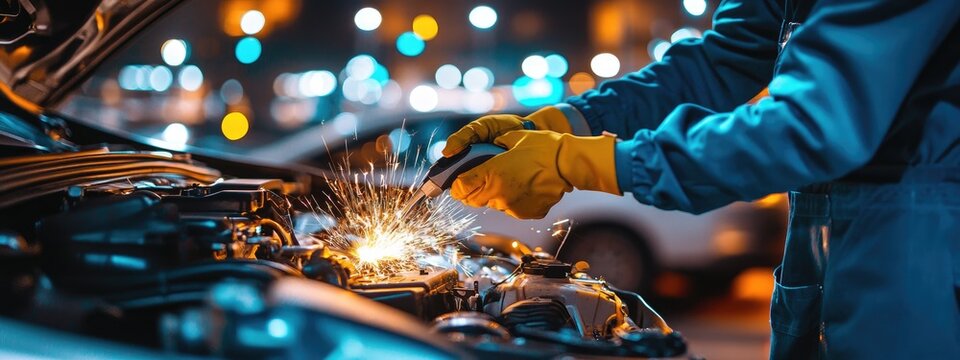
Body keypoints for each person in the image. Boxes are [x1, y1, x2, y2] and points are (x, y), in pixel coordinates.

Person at [441, 0, 960, 358]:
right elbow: (725, 58)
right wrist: (568, 121)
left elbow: (810, 125)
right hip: (835, 249)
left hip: (919, 255)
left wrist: (585, 162)